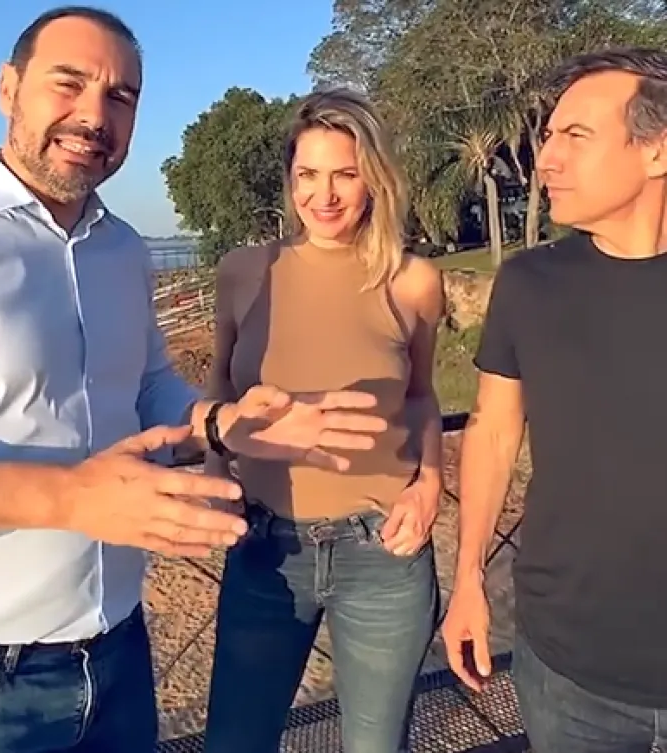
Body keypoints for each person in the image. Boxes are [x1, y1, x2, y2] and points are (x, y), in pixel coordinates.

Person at [0, 8, 389, 753]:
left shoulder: (120, 247)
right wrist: (69, 497)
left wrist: (223, 424)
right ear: (8, 87)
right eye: (69, 83)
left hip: (119, 651)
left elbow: (147, 389)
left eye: (121, 96)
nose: (94, 115)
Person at [201, 88, 445, 753]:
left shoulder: (413, 281)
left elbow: (421, 396)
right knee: (235, 742)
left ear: (375, 180)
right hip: (265, 548)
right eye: (307, 173)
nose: (324, 195)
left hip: (383, 551)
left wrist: (430, 484)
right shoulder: (245, 272)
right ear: (289, 177)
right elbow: (220, 383)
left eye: (345, 174)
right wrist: (217, 469)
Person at [441, 48, 667, 753]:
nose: (545, 159)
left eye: (576, 135)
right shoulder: (528, 284)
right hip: (569, 673)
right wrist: (468, 580)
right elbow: (492, 431)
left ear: (657, 150)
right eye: (548, 136)